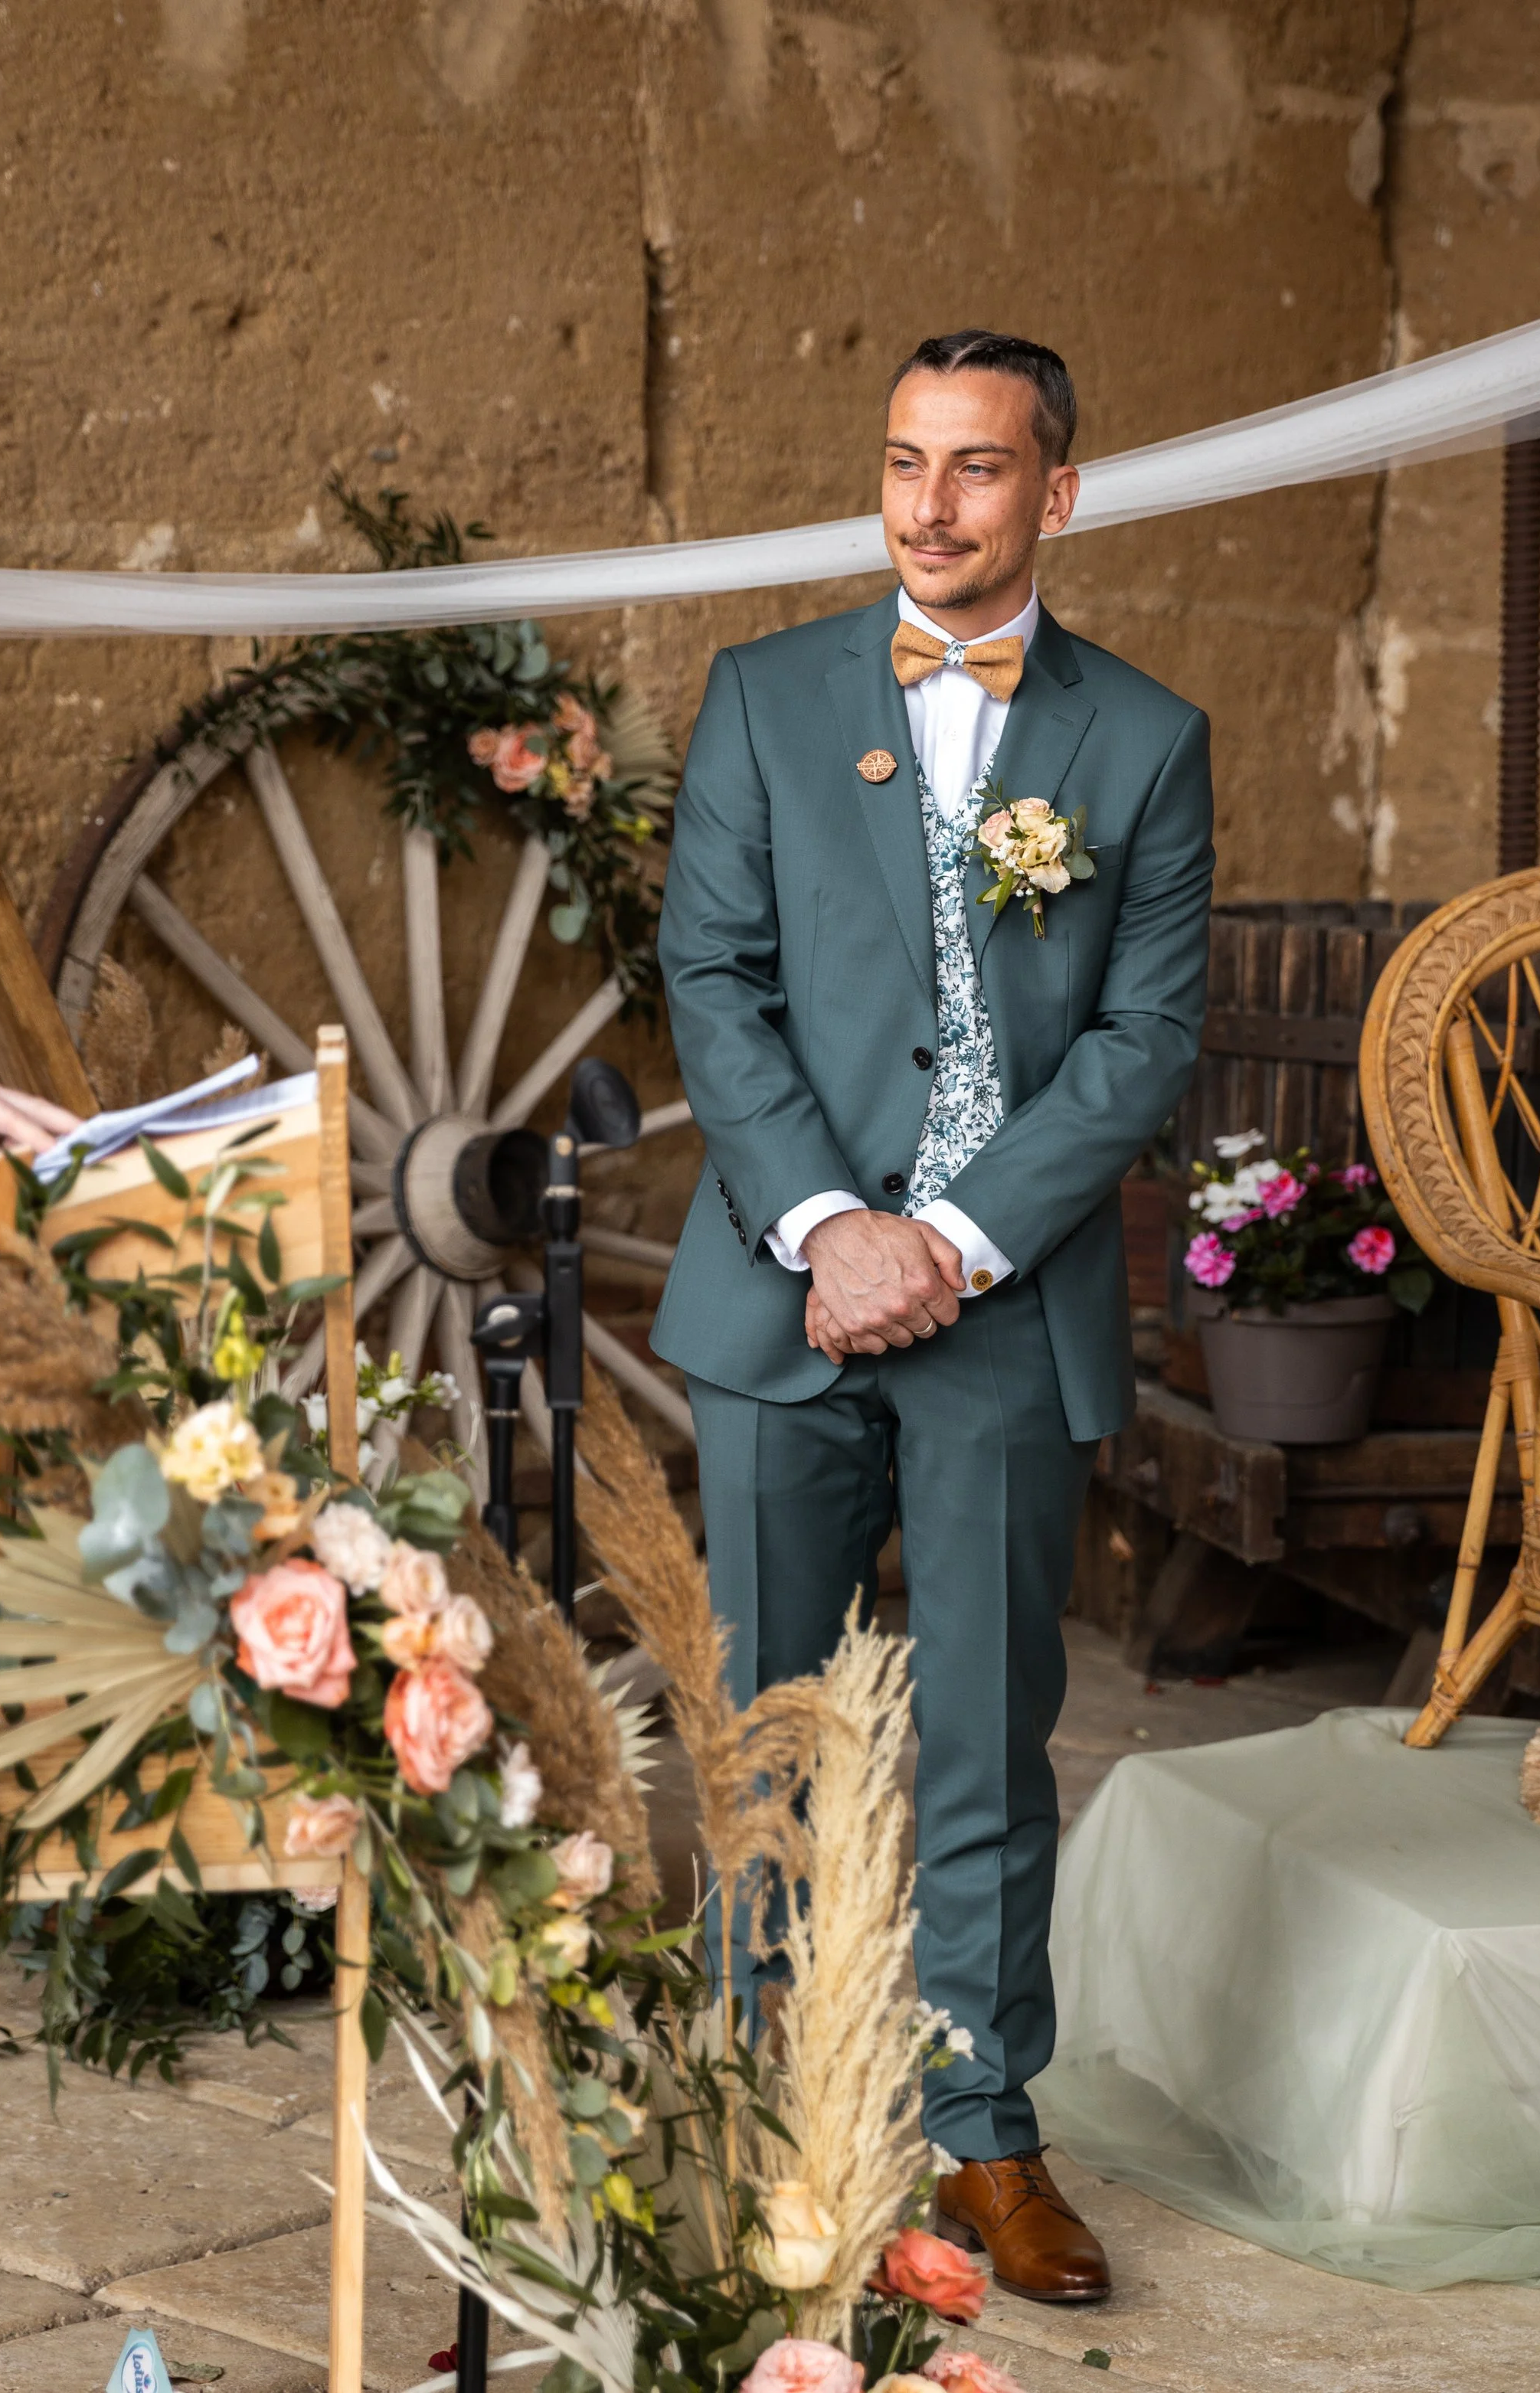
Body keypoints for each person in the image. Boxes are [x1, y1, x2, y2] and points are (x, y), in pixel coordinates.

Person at [652, 330, 1215, 2303]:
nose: (930, 503)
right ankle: (747, 2104)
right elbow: (711, 980)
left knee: (989, 1729)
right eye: (903, 461)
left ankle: (984, 2137)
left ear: (1056, 494)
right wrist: (828, 1224)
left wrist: (953, 1238)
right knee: (765, 1727)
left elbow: (1145, 1042)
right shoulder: (768, 696)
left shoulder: (1143, 738)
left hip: (999, 1295)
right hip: (788, 1284)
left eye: (977, 470)